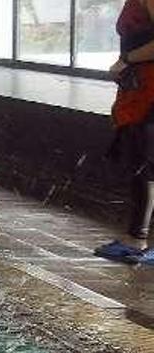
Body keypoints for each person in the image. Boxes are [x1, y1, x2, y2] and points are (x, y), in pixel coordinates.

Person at [95, 0, 154, 265]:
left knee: (143, 162)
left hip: (149, 92)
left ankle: (137, 240)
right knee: (140, 159)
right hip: (139, 88)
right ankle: (137, 238)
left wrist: (126, 59)